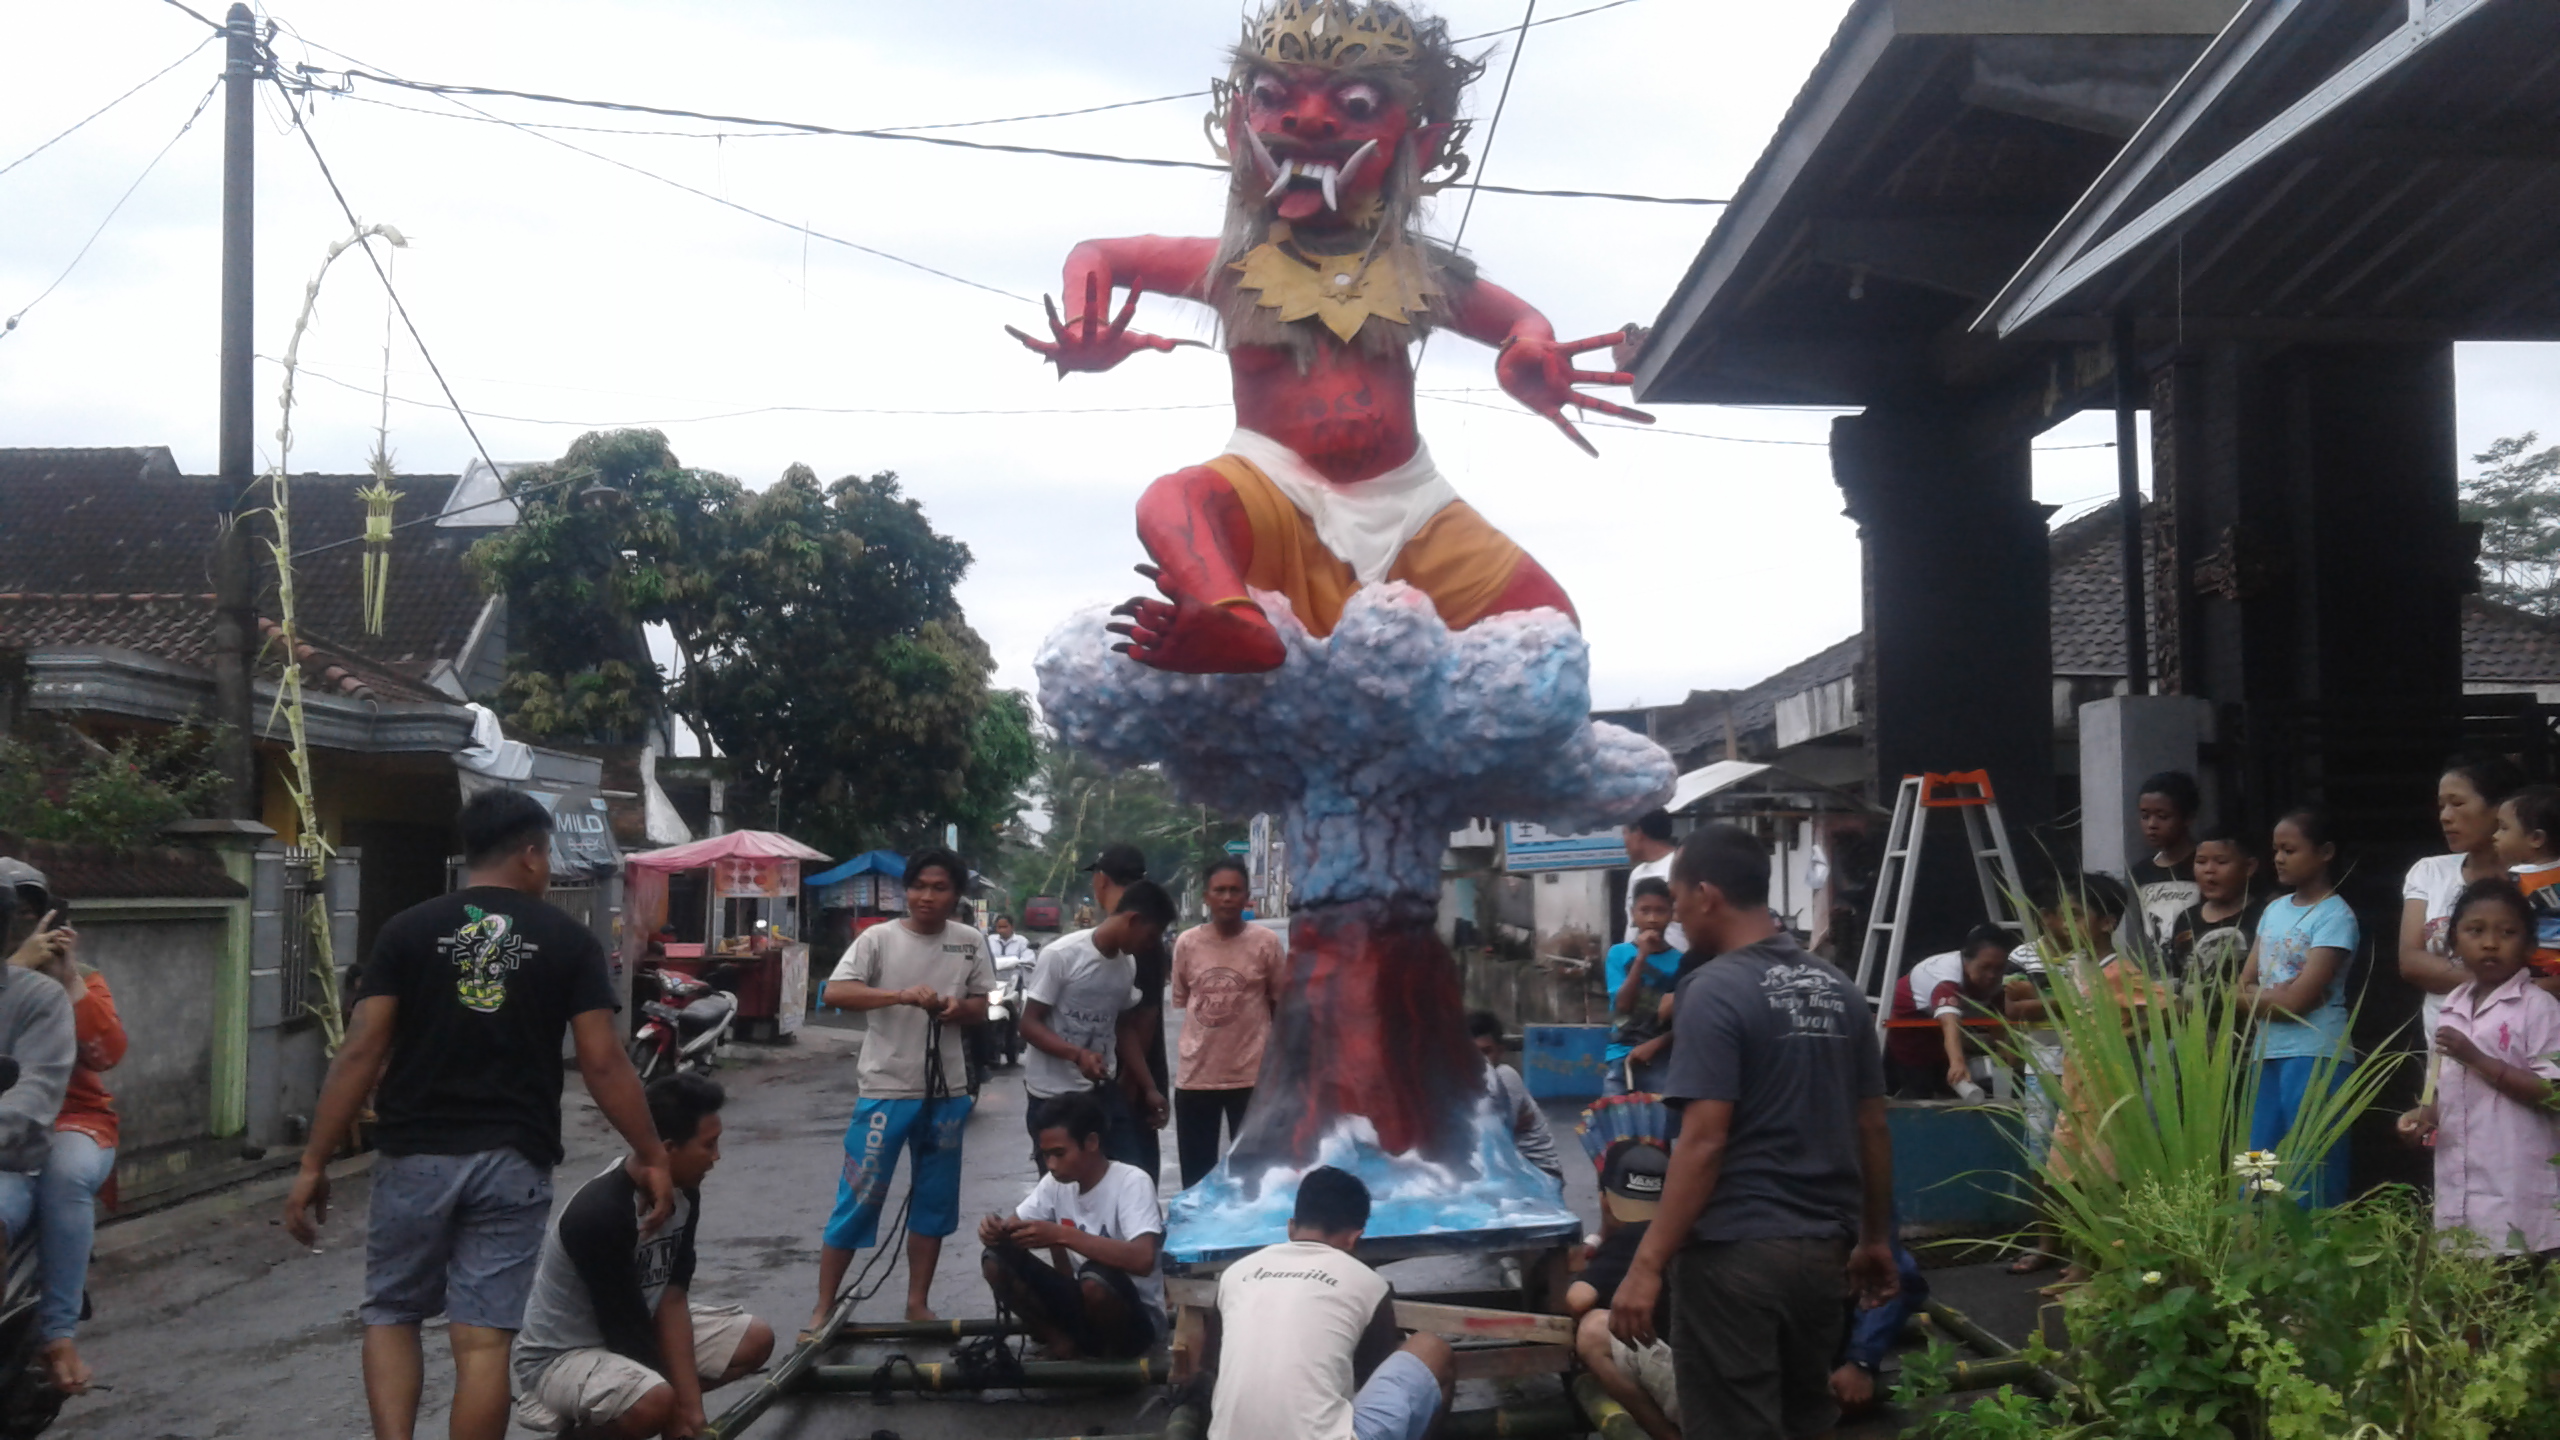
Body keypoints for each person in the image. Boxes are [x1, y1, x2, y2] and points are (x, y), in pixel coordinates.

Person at [283, 790, 673, 1440]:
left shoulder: (406, 931)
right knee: (485, 1342)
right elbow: (604, 1064)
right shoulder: (567, 941)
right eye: (546, 855)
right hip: (511, 1158)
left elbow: (361, 1051)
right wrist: (653, 1153)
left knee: (391, 1314)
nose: (547, 869)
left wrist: (312, 1162)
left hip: (414, 1156)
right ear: (528, 854)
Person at [1609, 825, 1898, 1440]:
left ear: (1707, 894)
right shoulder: (1839, 989)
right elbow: (1872, 1126)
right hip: (1822, 1256)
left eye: (1680, 899)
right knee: (1803, 1421)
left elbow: (1705, 1140)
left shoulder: (1710, 989)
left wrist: (1646, 1264)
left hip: (1732, 1259)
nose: (1679, 916)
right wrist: (1874, 1239)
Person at [512, 1074, 775, 1438]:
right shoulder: (599, 1214)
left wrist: (692, 1412)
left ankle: (640, 1413)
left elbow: (672, 1299)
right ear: (667, 1149)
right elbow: (626, 1333)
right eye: (709, 1144)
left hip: (638, 1325)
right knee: (652, 1401)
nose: (717, 1156)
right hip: (563, 1356)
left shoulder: (684, 1192)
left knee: (755, 1338)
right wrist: (673, 1413)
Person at [810, 848, 992, 1335]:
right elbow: (836, 992)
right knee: (859, 1196)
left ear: (956, 895)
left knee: (934, 1202)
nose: (927, 897)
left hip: (947, 1092)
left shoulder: (970, 941)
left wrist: (958, 1008)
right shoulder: (878, 939)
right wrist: (900, 995)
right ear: (905, 891)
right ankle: (822, 1308)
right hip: (886, 1089)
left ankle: (917, 1303)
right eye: (918, 886)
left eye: (939, 888)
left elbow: (981, 1004)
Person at [1205, 1166, 1454, 1440]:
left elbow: (1212, 1368)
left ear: (1290, 1227)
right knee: (1431, 1348)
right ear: (1353, 1238)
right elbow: (1373, 1376)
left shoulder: (1234, 1274)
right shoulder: (1367, 1282)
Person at [2394, 879, 2560, 1255]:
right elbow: (2453, 1090)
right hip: (2461, 1191)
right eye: (2475, 931)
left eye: (2507, 932)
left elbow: (2554, 1093)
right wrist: (2426, 1115)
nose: (2490, 942)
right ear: (2453, 943)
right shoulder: (2451, 1007)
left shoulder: (2538, 1007)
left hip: (2519, 1192)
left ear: (2530, 946)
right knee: (2465, 1301)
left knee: (2516, 1297)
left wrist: (2479, 1059)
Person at [978, 1091, 1167, 1359]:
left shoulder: (1131, 1182)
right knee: (996, 1259)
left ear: (1091, 1142)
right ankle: (1062, 1341)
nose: (1051, 1165)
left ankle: (1113, 1358)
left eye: (1059, 1154)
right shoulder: (1054, 1184)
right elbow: (1013, 1225)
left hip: (1136, 1316)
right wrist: (994, 1230)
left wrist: (1063, 1235)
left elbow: (1143, 1258)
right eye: (1045, 1156)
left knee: (1095, 1279)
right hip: (1085, 1303)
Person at [2238, 808, 2358, 1209]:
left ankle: (2316, 1252)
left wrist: (2266, 996)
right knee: (2256, 1159)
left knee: (2314, 1160)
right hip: (2266, 1050)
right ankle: (2255, 1245)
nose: (2279, 858)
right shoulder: (2273, 910)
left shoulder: (2335, 916)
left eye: (2290, 849)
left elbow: (2298, 1001)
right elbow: (2237, 989)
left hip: (2316, 1050)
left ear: (2325, 852)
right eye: (2276, 849)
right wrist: (2277, 996)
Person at [35, 882, 122, 1399]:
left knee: (65, 1176)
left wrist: (66, 978)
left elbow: (107, 1053)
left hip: (72, 1121)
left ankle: (58, 1333)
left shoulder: (82, 980)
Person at [1021, 882, 1177, 1169]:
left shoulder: (1127, 964)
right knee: (1063, 1189)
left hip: (1101, 1094)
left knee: (1128, 1173)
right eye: (1150, 935)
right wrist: (1077, 1055)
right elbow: (1029, 1025)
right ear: (1132, 920)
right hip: (1053, 1097)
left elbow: (1123, 1028)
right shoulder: (1062, 955)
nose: (1151, 945)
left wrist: (1150, 1087)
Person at [1169, 857, 1286, 1187]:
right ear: (1206, 896)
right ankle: (1198, 1238)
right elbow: (1182, 1000)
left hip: (1251, 1079)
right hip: (1196, 1078)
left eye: (1235, 890)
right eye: (1219, 890)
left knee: (1254, 1178)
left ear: (1247, 896)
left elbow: (1280, 1007)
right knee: (1196, 1178)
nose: (1227, 897)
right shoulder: (1187, 943)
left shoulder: (1265, 943)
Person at [0, 861, 77, 1331]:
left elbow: (33, 1094)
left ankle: (58, 1330)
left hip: (9, 1161)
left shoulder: (42, 996)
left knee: (70, 1181)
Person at [2401, 756, 2524, 1040]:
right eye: (2442, 805)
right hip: (2444, 1056)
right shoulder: (2429, 872)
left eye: (2457, 803)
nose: (2445, 816)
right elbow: (2411, 961)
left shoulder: (2538, 881)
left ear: (2500, 808)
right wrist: (2510, 983)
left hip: (2520, 1049)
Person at [1568, 1140, 1677, 1440]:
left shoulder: (1630, 1238)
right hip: (1749, 1381)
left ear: (1606, 1201)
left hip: (1694, 1393)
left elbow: (1578, 1300)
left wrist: (1583, 1261)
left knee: (1593, 1330)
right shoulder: (1684, 1226)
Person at [1085, 845, 1172, 1178]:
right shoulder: (1125, 932)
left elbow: (1142, 1020)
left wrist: (1131, 1087)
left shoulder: (1139, 937)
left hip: (1128, 1084)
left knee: (1129, 1177)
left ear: (1101, 880)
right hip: (1125, 1079)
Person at [1883, 925, 2010, 1099]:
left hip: (1946, 1032)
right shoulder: (1946, 979)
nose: (1991, 975)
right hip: (1912, 1026)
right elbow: (1950, 1021)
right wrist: (1957, 1063)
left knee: (1954, 1087)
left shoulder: (1994, 983)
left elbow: (1998, 1022)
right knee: (1920, 1088)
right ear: (1966, 960)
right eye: (1985, 967)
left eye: (1998, 969)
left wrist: (2006, 1057)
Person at [1603, 878, 1681, 1096]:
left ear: (1672, 914)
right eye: (1645, 911)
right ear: (1633, 914)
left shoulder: (1680, 961)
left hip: (1661, 1059)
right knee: (1616, 1126)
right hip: (1621, 1055)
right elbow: (1622, 1005)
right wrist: (1641, 957)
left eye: (1660, 911)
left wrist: (1656, 1045)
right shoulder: (1618, 954)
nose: (1653, 919)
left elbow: (1685, 1019)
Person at [1467, 1011, 1563, 1187]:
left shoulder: (1504, 1077)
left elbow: (1493, 1139)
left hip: (1540, 1171)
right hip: (1506, 1168)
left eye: (1486, 1052)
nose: (1480, 1061)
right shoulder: (1463, 1083)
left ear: (1500, 1051)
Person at [2164, 825, 2263, 994]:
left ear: (2249, 867)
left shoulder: (2264, 916)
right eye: (2201, 862)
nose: (2209, 870)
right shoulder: (2186, 917)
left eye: (2221, 862)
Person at [2493, 783, 2560, 993]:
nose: (2495, 835)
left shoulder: (2514, 880)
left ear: (2536, 838)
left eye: (2503, 828)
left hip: (2528, 976)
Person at [2129, 770, 2203, 960]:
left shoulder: (2205, 865)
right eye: (2145, 816)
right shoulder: (2141, 872)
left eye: (2162, 816)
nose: (2152, 824)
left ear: (2188, 818)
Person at [1620, 811, 1688, 954]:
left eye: (1625, 833)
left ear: (1638, 833)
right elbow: (1632, 926)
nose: (1623, 841)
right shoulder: (1637, 874)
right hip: (1639, 963)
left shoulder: (1680, 865)